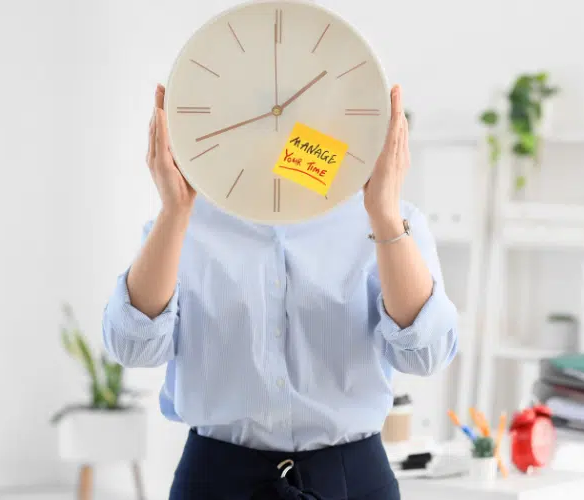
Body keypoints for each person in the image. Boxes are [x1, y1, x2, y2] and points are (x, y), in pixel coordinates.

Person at [103, 83, 459, 500]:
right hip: (216, 479)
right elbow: (132, 347)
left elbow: (424, 355)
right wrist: (175, 211)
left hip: (352, 479)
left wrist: (383, 214)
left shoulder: (394, 221)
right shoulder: (186, 222)